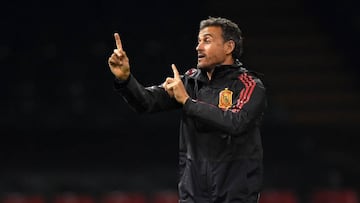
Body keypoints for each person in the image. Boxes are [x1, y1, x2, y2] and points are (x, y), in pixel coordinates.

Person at [108, 16, 267, 203]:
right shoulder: (190, 82)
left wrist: (187, 102)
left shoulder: (249, 85)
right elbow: (146, 102)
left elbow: (236, 122)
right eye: (198, 41)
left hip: (234, 197)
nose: (198, 47)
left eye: (207, 40)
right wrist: (125, 80)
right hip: (193, 195)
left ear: (228, 47)